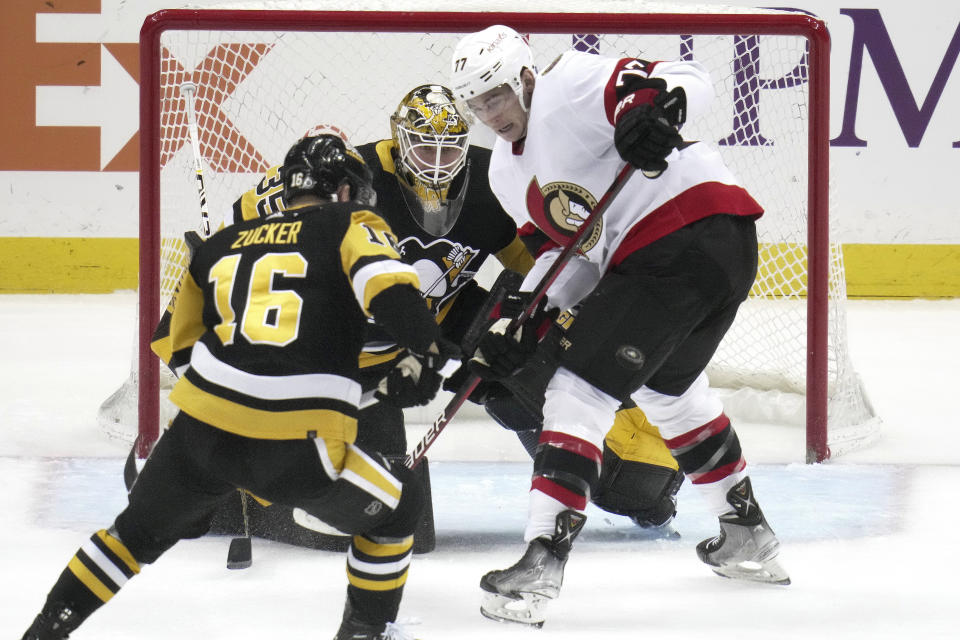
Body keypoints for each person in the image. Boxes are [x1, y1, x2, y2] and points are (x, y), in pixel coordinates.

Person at [21, 133, 456, 640]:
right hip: (299, 443)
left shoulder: (222, 244)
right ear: (343, 192)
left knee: (131, 536)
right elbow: (389, 288)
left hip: (196, 435)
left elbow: (176, 346)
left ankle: (43, 631)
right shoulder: (352, 224)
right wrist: (426, 352)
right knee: (397, 514)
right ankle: (365, 632)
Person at [215, 86, 685, 552]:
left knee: (530, 362)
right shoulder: (346, 177)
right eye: (423, 145)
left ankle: (620, 474)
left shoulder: (493, 178)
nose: (437, 162)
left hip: (442, 318)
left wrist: (579, 323)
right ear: (398, 141)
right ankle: (241, 486)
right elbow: (245, 230)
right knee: (401, 528)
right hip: (350, 355)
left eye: (449, 148)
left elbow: (546, 267)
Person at [449, 25, 790, 626]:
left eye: (496, 95)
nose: (489, 113)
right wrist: (519, 322)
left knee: (577, 389)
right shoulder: (505, 172)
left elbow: (687, 79)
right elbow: (566, 257)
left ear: (525, 78)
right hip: (712, 252)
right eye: (476, 103)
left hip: (683, 234)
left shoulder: (569, 83)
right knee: (670, 391)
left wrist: (655, 112)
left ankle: (541, 559)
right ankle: (747, 534)